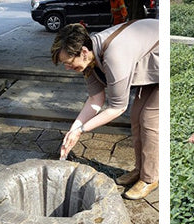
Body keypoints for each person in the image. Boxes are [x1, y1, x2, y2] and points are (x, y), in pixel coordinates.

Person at [52, 20, 159, 200]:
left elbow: (117, 107)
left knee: (149, 120)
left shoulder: (114, 55)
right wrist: (73, 130)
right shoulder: (90, 60)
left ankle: (150, 178)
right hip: (145, 53)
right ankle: (141, 169)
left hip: (160, 56)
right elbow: (96, 100)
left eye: (69, 62)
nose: (67, 67)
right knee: (136, 117)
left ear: (83, 52)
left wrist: (82, 130)